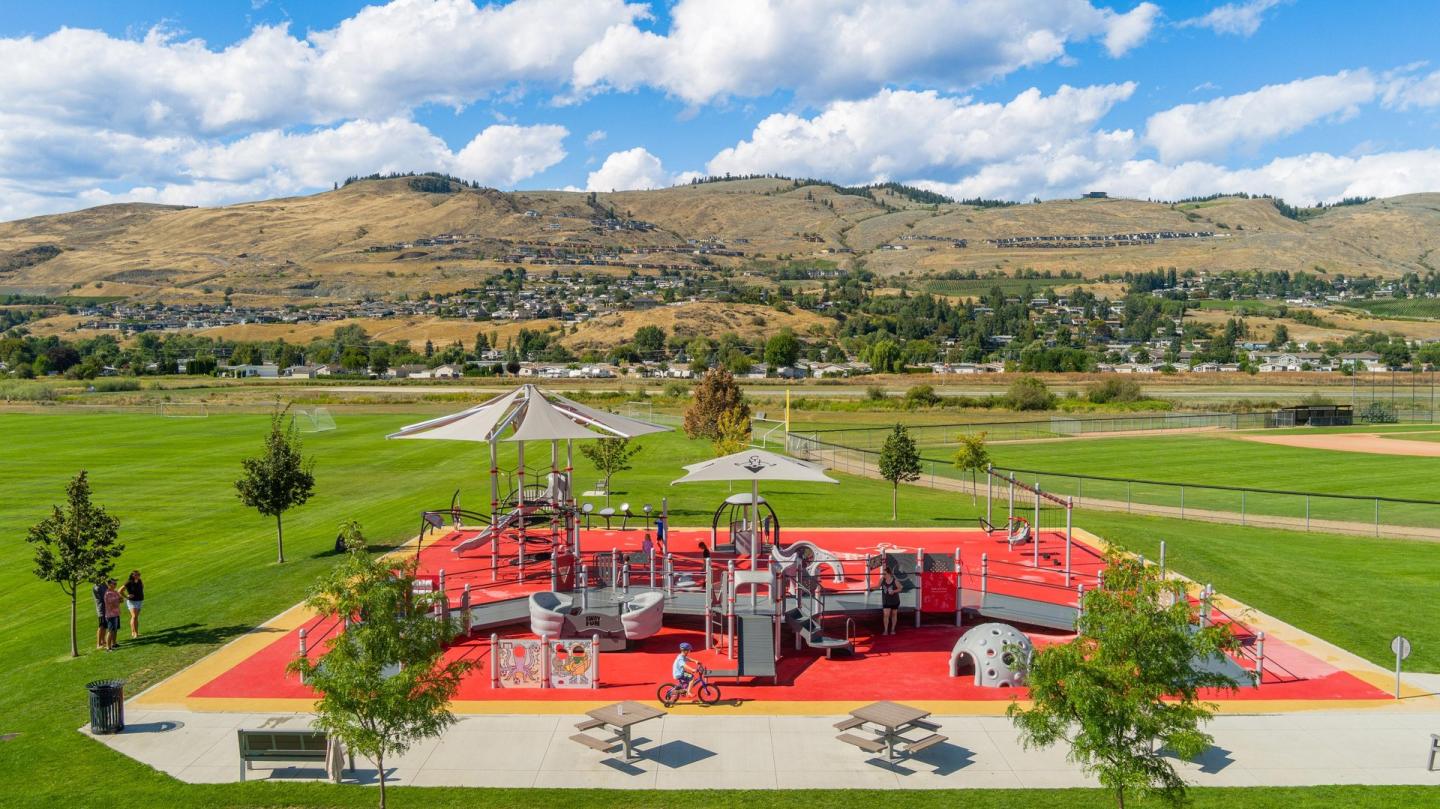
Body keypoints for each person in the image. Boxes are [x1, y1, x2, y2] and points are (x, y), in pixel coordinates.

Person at [120, 570, 144, 639]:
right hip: (132, 602)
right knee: (134, 616)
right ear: (133, 575)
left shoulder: (139, 580)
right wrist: (127, 596)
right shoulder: (129, 582)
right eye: (137, 575)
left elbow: (142, 587)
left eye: (139, 574)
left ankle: (133, 632)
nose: (139, 576)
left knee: (134, 617)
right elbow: (120, 590)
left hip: (140, 600)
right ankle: (135, 633)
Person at [880, 565, 902, 636]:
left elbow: (900, 588)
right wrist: (870, 588)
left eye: (884, 574)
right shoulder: (882, 579)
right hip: (886, 600)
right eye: (883, 574)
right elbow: (877, 586)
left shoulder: (895, 580)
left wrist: (894, 591)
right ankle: (886, 630)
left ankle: (892, 629)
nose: (883, 575)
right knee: (886, 615)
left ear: (889, 574)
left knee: (894, 614)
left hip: (894, 600)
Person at [102, 579, 122, 651]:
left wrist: (119, 600)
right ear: (109, 584)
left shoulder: (115, 592)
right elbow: (112, 603)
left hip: (116, 613)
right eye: (114, 583)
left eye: (116, 583)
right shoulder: (108, 594)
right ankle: (108, 647)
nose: (115, 585)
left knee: (115, 630)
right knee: (110, 631)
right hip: (110, 615)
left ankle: (114, 643)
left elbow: (121, 600)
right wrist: (118, 600)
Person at [92, 579, 108, 650]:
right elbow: (104, 596)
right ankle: (98, 644)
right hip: (101, 609)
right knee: (101, 626)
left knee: (104, 626)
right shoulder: (97, 587)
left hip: (106, 608)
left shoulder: (103, 584)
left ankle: (103, 641)